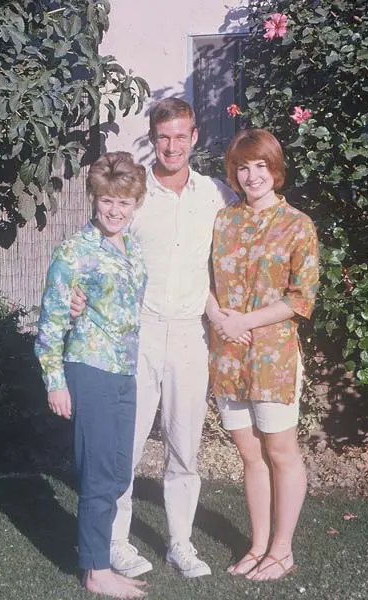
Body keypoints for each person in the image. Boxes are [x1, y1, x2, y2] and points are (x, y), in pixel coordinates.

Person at [72, 98, 239, 578]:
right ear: (153, 139)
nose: (172, 146)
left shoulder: (216, 195)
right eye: (163, 137)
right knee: (126, 445)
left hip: (190, 334)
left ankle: (180, 542)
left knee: (185, 446)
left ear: (195, 137)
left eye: (180, 136)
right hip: (138, 332)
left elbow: (235, 251)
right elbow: (95, 242)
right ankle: (117, 541)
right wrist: (78, 291)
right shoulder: (137, 193)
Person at [35, 151, 150, 599]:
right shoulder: (74, 251)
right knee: (100, 474)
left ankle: (99, 559)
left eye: (124, 202)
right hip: (91, 369)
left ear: (135, 203)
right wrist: (56, 383)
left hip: (124, 372)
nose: (115, 210)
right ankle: (95, 570)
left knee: (119, 472)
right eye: (107, 200)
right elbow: (50, 323)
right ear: (93, 198)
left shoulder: (132, 247)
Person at [208, 128, 320, 581]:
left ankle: (282, 550)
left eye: (261, 166)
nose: (252, 176)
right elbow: (199, 278)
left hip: (273, 356)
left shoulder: (298, 224)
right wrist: (221, 319)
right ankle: (257, 546)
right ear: (233, 172)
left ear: (276, 170)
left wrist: (245, 322)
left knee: (280, 451)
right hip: (228, 352)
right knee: (249, 454)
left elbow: (301, 298)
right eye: (243, 167)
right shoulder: (223, 220)